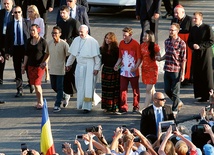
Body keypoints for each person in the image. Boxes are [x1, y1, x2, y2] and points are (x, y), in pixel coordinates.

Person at [65, 24, 101, 113]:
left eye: (82, 32)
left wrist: (96, 68)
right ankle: (81, 103)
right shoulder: (76, 40)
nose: (80, 33)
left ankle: (87, 107)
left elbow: (97, 58)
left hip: (90, 66)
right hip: (79, 66)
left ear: (87, 32)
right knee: (80, 86)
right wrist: (68, 65)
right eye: (79, 31)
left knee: (88, 87)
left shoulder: (93, 41)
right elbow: (73, 55)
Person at [157, 23, 186, 116]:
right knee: (167, 89)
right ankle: (178, 102)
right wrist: (161, 58)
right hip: (167, 68)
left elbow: (183, 59)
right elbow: (167, 54)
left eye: (172, 30)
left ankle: (175, 109)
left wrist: (182, 73)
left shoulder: (182, 43)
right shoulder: (167, 41)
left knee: (175, 92)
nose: (170, 31)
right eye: (169, 30)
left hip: (176, 70)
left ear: (177, 31)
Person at [40, 26, 70, 113]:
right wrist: (43, 62)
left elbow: (69, 56)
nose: (54, 35)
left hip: (61, 69)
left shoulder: (64, 44)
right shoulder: (49, 43)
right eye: (52, 33)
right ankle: (64, 95)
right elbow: (46, 54)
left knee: (60, 87)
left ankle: (57, 104)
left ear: (60, 34)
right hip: (52, 68)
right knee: (54, 86)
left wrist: (68, 66)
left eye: (56, 33)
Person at [187, 12, 214, 102]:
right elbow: (189, 41)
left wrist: (200, 46)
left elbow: (211, 41)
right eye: (193, 18)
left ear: (201, 19)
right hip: (196, 54)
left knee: (206, 74)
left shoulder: (207, 28)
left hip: (206, 54)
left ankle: (209, 94)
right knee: (198, 73)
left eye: (196, 18)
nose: (194, 20)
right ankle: (201, 95)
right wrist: (193, 45)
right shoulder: (193, 29)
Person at [57, 5, 80, 107]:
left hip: (73, 51)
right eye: (61, 13)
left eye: (64, 13)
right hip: (63, 50)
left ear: (68, 13)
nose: (62, 15)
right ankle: (67, 92)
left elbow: (78, 36)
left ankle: (75, 89)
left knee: (72, 71)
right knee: (65, 72)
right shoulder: (60, 22)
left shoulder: (74, 22)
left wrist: (69, 41)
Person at [114, 27, 141, 114]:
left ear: (130, 35)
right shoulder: (121, 43)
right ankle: (123, 107)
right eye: (123, 35)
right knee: (123, 89)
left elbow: (140, 58)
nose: (124, 37)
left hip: (133, 71)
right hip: (123, 70)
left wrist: (136, 66)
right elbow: (120, 57)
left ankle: (136, 106)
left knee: (135, 90)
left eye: (125, 35)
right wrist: (117, 65)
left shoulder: (135, 44)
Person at [5, 6, 31, 97]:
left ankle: (30, 83)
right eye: (15, 12)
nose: (17, 14)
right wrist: (7, 52)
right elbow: (7, 39)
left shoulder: (27, 22)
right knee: (17, 69)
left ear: (22, 12)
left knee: (27, 67)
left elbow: (31, 37)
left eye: (19, 12)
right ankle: (19, 89)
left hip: (25, 49)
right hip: (15, 49)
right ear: (12, 13)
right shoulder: (10, 24)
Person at [22, 24, 47, 109]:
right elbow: (26, 54)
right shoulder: (29, 41)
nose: (32, 32)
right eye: (31, 30)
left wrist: (44, 63)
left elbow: (47, 54)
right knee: (34, 84)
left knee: (37, 84)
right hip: (30, 66)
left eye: (34, 30)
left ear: (38, 30)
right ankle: (38, 101)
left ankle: (41, 101)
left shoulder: (43, 42)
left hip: (39, 66)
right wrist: (24, 65)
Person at [27, 5, 50, 83]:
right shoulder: (27, 20)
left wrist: (38, 40)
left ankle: (47, 73)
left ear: (35, 12)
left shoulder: (40, 20)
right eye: (28, 11)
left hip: (40, 41)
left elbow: (42, 32)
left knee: (43, 57)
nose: (29, 13)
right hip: (31, 41)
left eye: (31, 11)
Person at [171, 5, 193, 86]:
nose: (175, 14)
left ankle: (187, 79)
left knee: (187, 61)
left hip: (187, 45)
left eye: (177, 13)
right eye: (174, 13)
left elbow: (192, 33)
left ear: (183, 12)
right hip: (177, 44)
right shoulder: (174, 20)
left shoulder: (189, 20)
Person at [100, 32, 120, 113]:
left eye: (109, 38)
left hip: (114, 71)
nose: (107, 40)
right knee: (105, 89)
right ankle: (106, 106)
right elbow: (100, 61)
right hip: (105, 70)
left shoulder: (117, 50)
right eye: (106, 38)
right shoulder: (102, 49)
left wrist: (117, 67)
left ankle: (114, 107)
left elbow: (121, 61)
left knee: (113, 90)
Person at [140, 30, 161, 109]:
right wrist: (135, 66)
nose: (144, 37)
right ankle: (158, 105)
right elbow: (140, 58)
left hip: (152, 70)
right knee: (152, 91)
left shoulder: (155, 46)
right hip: (145, 69)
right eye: (143, 36)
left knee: (148, 90)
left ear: (150, 37)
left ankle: (144, 109)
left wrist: (158, 57)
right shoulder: (141, 46)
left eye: (145, 36)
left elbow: (159, 56)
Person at [0, 0, 14, 85]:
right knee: (1, 59)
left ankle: (18, 77)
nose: (6, 5)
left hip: (12, 38)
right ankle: (0, 78)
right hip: (2, 37)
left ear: (12, 3)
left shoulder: (16, 12)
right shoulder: (1, 13)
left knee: (17, 60)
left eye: (8, 3)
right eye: (4, 4)